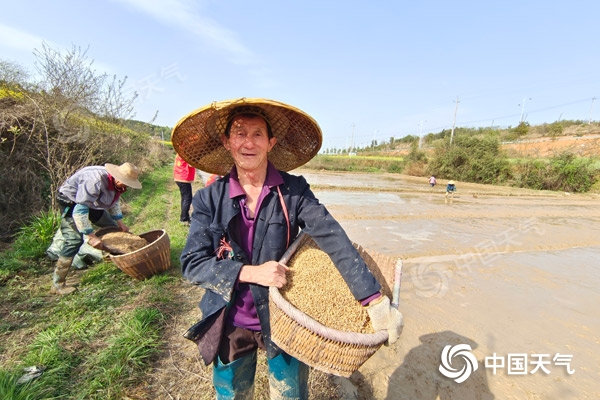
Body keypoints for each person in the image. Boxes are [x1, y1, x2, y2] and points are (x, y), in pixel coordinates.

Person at [172, 98, 403, 399]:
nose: (249, 142)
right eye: (240, 133)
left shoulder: (294, 192)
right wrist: (250, 272)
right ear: (227, 142)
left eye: (258, 134)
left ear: (271, 142)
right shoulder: (209, 199)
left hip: (285, 319)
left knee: (290, 394)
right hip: (231, 317)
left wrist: (373, 299)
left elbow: (332, 236)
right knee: (231, 394)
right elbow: (192, 263)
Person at [50, 162, 142, 295]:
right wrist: (91, 236)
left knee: (112, 228)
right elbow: (80, 210)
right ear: (117, 177)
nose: (126, 185)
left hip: (92, 202)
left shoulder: (117, 185)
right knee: (74, 240)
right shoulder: (95, 182)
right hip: (72, 203)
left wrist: (120, 223)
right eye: (125, 182)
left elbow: (113, 201)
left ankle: (117, 259)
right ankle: (58, 284)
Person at [174, 153, 196, 226]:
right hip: (183, 178)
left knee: (184, 198)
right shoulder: (186, 154)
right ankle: (183, 219)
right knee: (187, 199)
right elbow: (191, 164)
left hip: (179, 177)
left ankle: (185, 217)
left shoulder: (180, 152)